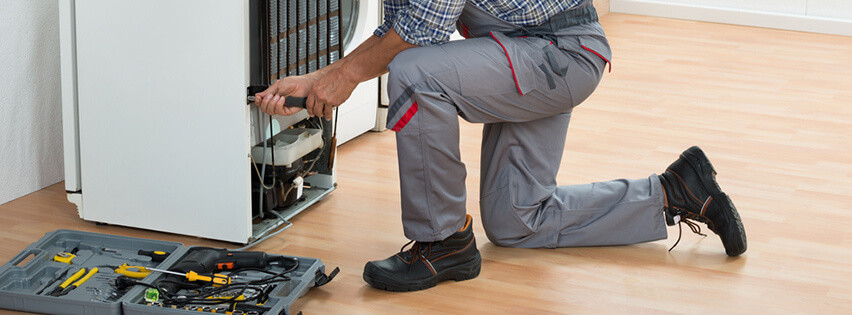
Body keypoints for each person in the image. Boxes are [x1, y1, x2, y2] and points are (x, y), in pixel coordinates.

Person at [254, 0, 747, 292]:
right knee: (517, 220)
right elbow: (401, 28)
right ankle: (674, 191)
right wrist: (322, 80)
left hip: (557, 51)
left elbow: (419, 35)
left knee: (415, 74)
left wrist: (343, 77)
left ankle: (443, 241)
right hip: (528, 49)